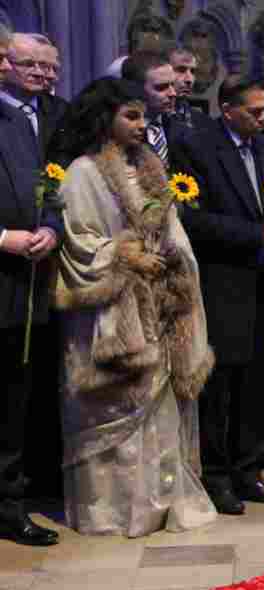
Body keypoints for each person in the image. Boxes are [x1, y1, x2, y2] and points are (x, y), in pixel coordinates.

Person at [49, 76, 217, 536]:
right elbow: (80, 241)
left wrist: (173, 257)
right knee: (113, 409)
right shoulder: (83, 171)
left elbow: (173, 226)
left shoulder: (151, 167)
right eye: (132, 115)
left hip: (158, 304)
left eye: (144, 115)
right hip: (112, 312)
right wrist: (127, 256)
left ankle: (160, 502)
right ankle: (114, 510)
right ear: (106, 118)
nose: (143, 125)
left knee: (160, 410)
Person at [170, 75, 264, 515]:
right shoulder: (196, 146)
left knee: (257, 383)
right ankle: (217, 476)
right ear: (227, 110)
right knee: (222, 386)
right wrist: (256, 234)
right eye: (255, 112)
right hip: (222, 280)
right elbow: (192, 218)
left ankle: (249, 470)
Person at [0, 25, 61, 547]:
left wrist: (51, 230)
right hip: (3, 265)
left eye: (49, 67)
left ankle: (8, 505)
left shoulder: (36, 121)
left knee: (13, 403)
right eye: (29, 64)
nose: (42, 74)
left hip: (26, 286)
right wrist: (3, 237)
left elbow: (52, 188)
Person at [3, 33, 66, 153]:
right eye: (28, 64)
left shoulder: (62, 111)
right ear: (5, 64)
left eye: (42, 66)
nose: (39, 73)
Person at [120, 51, 180, 167]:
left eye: (173, 85)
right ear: (135, 89)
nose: (173, 93)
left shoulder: (182, 131)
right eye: (161, 87)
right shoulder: (119, 136)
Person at [167, 45, 218, 133]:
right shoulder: (144, 117)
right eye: (181, 70)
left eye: (193, 72)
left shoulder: (204, 123)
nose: (189, 79)